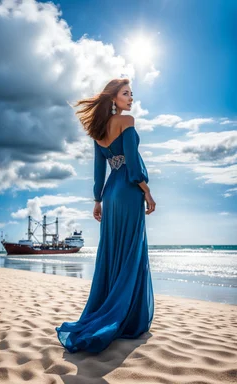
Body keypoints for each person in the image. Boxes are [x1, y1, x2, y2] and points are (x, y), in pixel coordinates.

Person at [55, 78, 156, 354]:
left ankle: (113, 310)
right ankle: (129, 318)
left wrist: (97, 200)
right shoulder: (127, 121)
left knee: (114, 252)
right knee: (131, 251)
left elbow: (99, 170)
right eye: (126, 94)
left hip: (111, 194)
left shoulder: (98, 130)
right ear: (113, 98)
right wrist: (147, 191)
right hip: (128, 190)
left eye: (132, 93)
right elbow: (133, 164)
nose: (131, 98)